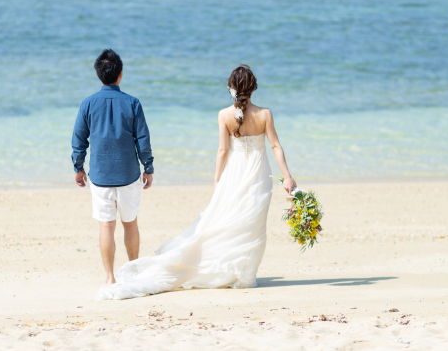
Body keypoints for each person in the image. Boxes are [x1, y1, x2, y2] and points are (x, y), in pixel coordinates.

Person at [95, 64, 297, 300]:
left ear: (231, 88)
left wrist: (217, 179)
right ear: (253, 88)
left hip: (234, 174)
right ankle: (244, 274)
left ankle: (235, 271)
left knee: (228, 221)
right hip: (258, 175)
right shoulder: (265, 114)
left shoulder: (224, 115)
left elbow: (222, 151)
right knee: (252, 223)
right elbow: (275, 146)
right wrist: (288, 176)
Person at [72, 49, 154, 288]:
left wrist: (78, 167)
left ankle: (109, 278)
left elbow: (79, 139)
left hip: (100, 175)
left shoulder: (87, 103)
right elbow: (143, 139)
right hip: (128, 174)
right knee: (130, 223)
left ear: (100, 76)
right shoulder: (132, 103)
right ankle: (133, 273)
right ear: (120, 74)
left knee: (106, 226)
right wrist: (148, 167)